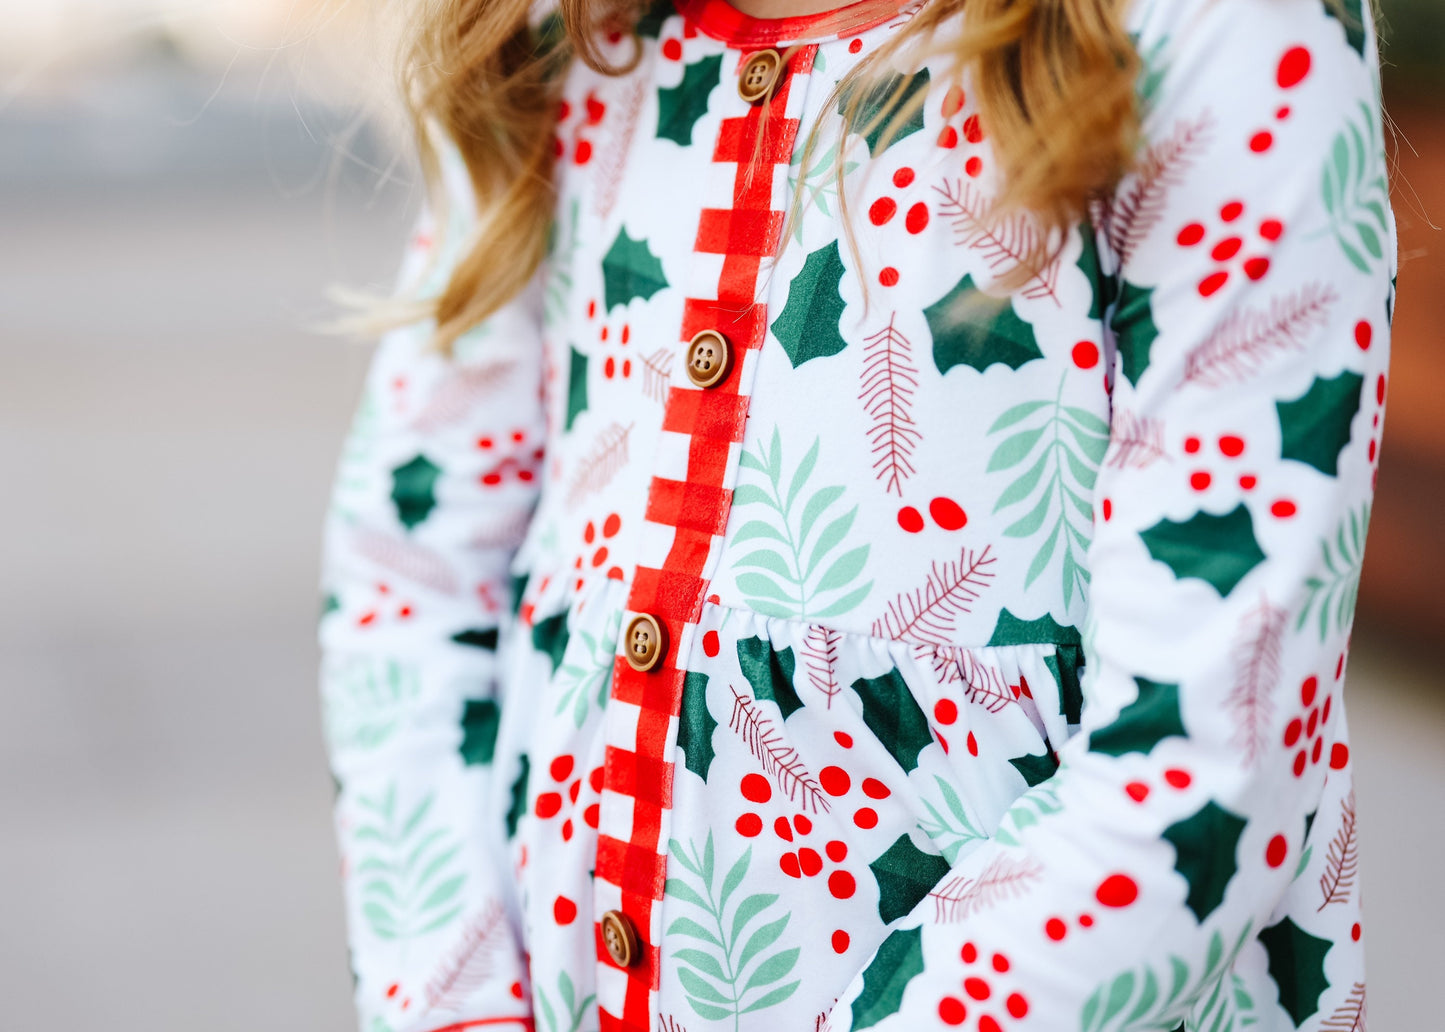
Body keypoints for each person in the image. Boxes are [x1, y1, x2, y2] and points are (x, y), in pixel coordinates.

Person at [318, 0, 1393, 1027]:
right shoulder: (565, 38)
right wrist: (452, 998)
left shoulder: (1214, 32)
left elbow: (1204, 759)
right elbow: (409, 583)